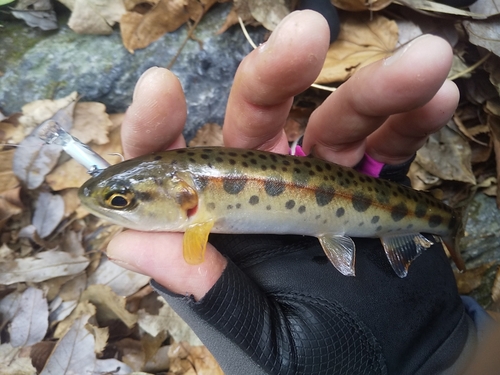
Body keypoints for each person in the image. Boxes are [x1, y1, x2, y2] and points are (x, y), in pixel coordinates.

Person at [106, 10, 490, 375]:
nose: (117, 208)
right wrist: (456, 356)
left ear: (186, 199)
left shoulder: (193, 218)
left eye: (121, 202)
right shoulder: (188, 193)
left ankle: (446, 225)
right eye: (119, 201)